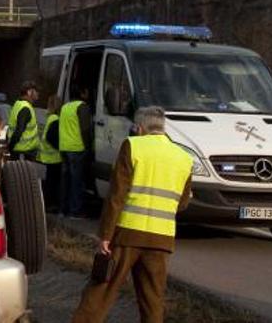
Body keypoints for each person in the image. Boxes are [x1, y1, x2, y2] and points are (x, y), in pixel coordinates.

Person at [72, 106, 192, 323]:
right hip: (161, 239)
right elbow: (182, 203)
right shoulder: (184, 157)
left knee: (101, 290)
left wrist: (105, 235)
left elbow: (117, 195)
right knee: (152, 301)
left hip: (127, 235)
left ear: (139, 128)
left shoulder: (133, 146)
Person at [59, 86, 93, 218]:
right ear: (82, 92)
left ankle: (63, 209)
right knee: (76, 181)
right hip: (77, 148)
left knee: (65, 181)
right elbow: (85, 129)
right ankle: (75, 211)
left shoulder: (65, 107)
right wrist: (88, 146)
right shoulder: (82, 107)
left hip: (64, 147)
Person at [39, 95, 63, 213]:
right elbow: (51, 137)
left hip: (49, 156)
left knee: (50, 181)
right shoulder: (55, 119)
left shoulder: (50, 118)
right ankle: (51, 205)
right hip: (55, 157)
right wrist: (61, 148)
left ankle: (48, 204)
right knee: (53, 183)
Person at [7, 81, 40, 161]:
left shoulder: (18, 104)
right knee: (24, 173)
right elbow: (19, 131)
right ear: (29, 92)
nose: (38, 94)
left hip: (21, 151)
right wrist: (10, 147)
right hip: (23, 152)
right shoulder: (25, 108)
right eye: (36, 91)